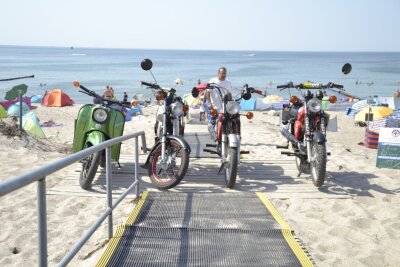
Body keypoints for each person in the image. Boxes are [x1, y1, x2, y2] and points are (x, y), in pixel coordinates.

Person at [205, 67, 232, 140]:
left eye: (225, 73)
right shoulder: (213, 81)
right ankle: (213, 134)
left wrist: (231, 103)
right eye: (222, 73)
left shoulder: (228, 82)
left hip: (224, 106)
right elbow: (207, 92)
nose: (224, 75)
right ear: (218, 73)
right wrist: (209, 103)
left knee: (226, 121)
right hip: (214, 105)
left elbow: (229, 94)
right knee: (212, 123)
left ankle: (224, 136)